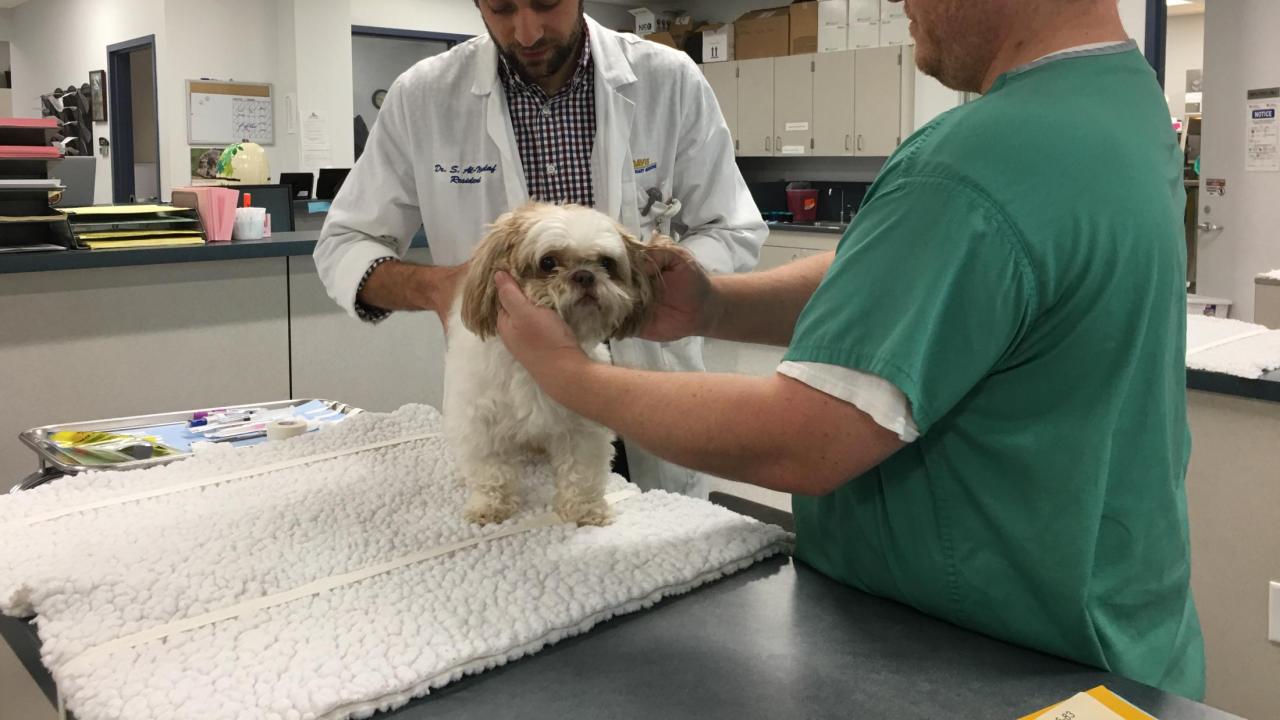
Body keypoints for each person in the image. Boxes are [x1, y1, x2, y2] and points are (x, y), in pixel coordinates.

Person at [492, 0, 1206, 699]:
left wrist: (564, 372)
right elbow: (914, 278)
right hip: (1117, 629)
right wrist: (717, 306)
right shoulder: (1119, 102)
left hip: (980, 657)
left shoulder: (974, 162)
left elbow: (802, 439)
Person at [313, 0, 766, 498]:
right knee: (510, 548)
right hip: (502, 402)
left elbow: (732, 228)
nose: (526, 33)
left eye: (546, 3)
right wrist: (439, 287)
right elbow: (344, 243)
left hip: (646, 391)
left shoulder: (668, 79)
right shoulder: (424, 96)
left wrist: (656, 281)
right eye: (502, 9)